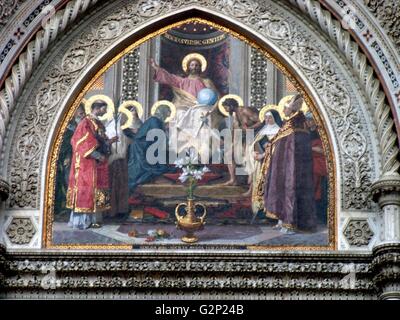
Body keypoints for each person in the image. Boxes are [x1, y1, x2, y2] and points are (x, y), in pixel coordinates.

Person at [254, 94, 317, 234]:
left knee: (290, 189)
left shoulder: (294, 124)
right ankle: (283, 220)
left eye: (286, 108)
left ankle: (289, 223)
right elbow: (278, 143)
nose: (283, 110)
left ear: (292, 109)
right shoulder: (295, 122)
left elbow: (288, 145)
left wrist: (270, 148)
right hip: (286, 165)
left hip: (290, 166)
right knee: (285, 189)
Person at [150, 54, 222, 159]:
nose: (194, 67)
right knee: (178, 114)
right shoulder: (182, 81)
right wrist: (156, 68)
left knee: (202, 115)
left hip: (201, 107)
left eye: (197, 65)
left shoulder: (206, 82)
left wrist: (211, 106)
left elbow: (216, 96)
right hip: (184, 106)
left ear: (200, 67)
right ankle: (181, 150)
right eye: (192, 65)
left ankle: (201, 151)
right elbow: (169, 77)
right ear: (188, 67)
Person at [66, 100, 118, 229]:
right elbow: (81, 142)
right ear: (97, 108)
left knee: (96, 189)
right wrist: (97, 155)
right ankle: (83, 221)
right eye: (104, 109)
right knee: (86, 189)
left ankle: (94, 219)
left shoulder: (98, 123)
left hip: (97, 164)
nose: (105, 111)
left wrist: (109, 142)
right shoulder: (86, 122)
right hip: (86, 162)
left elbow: (101, 142)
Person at [105, 107, 143, 219]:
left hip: (121, 160)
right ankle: (111, 211)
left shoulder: (123, 130)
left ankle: (120, 209)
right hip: (113, 161)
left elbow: (131, 138)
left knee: (121, 185)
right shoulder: (112, 128)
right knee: (113, 185)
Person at [127, 105, 175, 193]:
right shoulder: (154, 120)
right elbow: (158, 136)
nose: (168, 117)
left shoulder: (157, 121)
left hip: (146, 145)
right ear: (162, 112)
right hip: (141, 147)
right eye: (167, 114)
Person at [245, 109, 282, 214]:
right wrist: (254, 153)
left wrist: (262, 155)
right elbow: (253, 145)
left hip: (274, 163)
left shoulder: (280, 132)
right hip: (261, 164)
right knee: (261, 186)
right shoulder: (262, 131)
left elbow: (276, 148)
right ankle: (260, 211)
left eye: (270, 117)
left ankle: (272, 211)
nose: (267, 119)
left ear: (275, 118)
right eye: (265, 117)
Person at [221, 98, 263, 185]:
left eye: (226, 107)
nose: (225, 110)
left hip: (252, 135)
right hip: (242, 137)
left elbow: (260, 121)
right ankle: (233, 179)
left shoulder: (245, 110)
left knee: (248, 156)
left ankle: (252, 179)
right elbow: (236, 129)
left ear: (231, 105)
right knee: (229, 155)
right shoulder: (236, 114)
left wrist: (249, 129)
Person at [55, 103, 85, 216]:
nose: (82, 115)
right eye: (80, 113)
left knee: (73, 183)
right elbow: (66, 144)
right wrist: (67, 156)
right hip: (66, 158)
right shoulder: (68, 126)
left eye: (83, 113)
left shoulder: (82, 125)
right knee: (65, 182)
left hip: (78, 159)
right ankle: (61, 207)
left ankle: (73, 208)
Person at [305, 112, 328, 226]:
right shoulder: (307, 133)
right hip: (309, 164)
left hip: (319, 164)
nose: (308, 123)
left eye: (310, 120)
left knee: (319, 191)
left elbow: (324, 150)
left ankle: (320, 216)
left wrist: (310, 148)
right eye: (307, 121)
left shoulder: (322, 132)